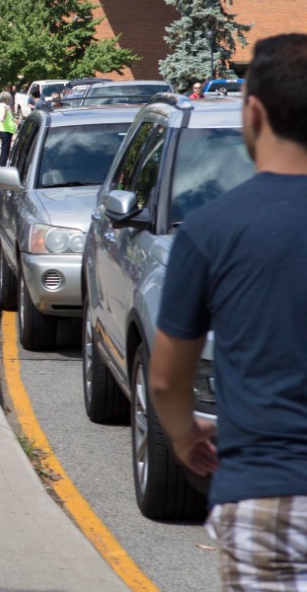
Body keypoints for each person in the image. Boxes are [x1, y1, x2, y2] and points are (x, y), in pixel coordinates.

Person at [149, 34, 307, 591]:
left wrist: (185, 435)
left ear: (255, 111)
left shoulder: (212, 230)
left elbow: (167, 378)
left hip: (266, 493)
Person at [0, 91, 17, 166]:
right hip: (5, 131)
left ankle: (4, 164)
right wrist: (5, 111)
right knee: (5, 150)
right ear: (6, 98)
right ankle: (2, 165)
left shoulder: (5, 106)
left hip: (8, 131)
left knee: (7, 150)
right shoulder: (2, 107)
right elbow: (2, 119)